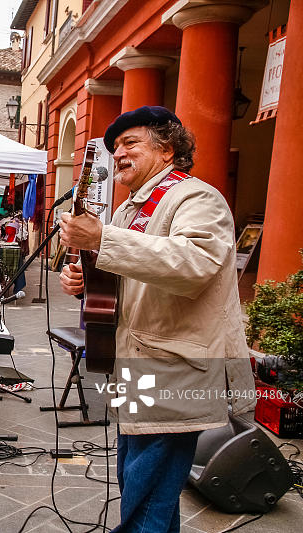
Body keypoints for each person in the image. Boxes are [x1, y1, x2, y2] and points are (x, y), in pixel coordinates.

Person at [58, 106, 254, 533]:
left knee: (146, 492)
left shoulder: (196, 198)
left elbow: (195, 263)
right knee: (141, 484)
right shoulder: (133, 208)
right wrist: (88, 280)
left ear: (167, 150)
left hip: (174, 368)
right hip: (141, 365)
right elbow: (134, 277)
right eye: (114, 147)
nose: (119, 153)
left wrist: (103, 238)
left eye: (131, 142)